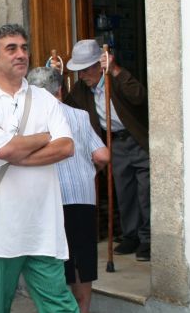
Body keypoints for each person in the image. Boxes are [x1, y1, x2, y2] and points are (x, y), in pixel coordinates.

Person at [0, 24, 123, 313]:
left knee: (56, 294)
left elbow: (67, 147)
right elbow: (4, 153)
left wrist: (20, 147)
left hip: (43, 219)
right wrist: (37, 141)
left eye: (23, 47)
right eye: (11, 48)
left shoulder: (46, 100)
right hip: (0, 220)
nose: (21, 53)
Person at [27, 66, 110, 313]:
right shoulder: (80, 115)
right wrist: (88, 172)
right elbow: (103, 155)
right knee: (82, 255)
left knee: (51, 259)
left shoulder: (30, 122)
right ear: (60, 90)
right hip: (82, 196)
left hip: (48, 199)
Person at [61, 39, 150, 261]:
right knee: (124, 191)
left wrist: (116, 70)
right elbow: (64, 108)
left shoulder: (117, 79)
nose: (81, 76)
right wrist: (58, 79)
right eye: (78, 71)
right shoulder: (82, 89)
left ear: (98, 66)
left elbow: (140, 96)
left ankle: (148, 238)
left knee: (145, 191)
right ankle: (130, 236)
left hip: (136, 140)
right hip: (114, 143)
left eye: (84, 70)